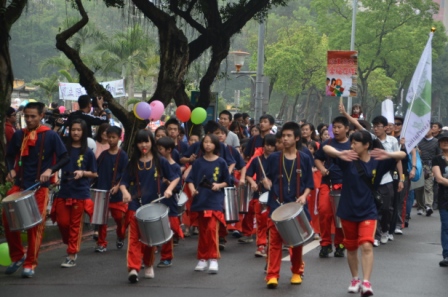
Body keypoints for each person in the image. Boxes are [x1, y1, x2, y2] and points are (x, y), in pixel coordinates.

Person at [323, 130, 406, 296]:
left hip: (368, 210)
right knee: (351, 247)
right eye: (351, 143)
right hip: (348, 210)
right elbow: (325, 148)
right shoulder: (348, 159)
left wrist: (387, 153)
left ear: (367, 145)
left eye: (356, 143)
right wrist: (341, 153)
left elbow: (402, 154)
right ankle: (355, 279)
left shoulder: (378, 161)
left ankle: (366, 282)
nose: (352, 146)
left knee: (367, 244)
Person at [4, 102, 69, 277]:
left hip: (40, 187)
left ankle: (30, 263)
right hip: (21, 184)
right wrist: (10, 169)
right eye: (27, 116)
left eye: (33, 116)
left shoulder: (50, 136)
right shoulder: (19, 135)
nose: (29, 119)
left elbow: (64, 157)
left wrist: (50, 170)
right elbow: (10, 154)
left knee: (35, 225)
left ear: (42, 116)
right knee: (7, 217)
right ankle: (17, 256)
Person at [120, 130, 179, 283]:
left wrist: (169, 189)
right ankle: (133, 268)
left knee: (149, 239)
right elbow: (123, 182)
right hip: (136, 205)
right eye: (140, 142)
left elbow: (175, 177)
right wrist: (125, 192)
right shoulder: (132, 162)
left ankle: (148, 264)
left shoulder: (160, 161)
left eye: (146, 141)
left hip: (154, 206)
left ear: (152, 142)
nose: (143, 145)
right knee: (134, 238)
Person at [262, 122, 314, 289]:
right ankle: (272, 275)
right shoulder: (274, 158)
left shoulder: (304, 158)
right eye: (283, 136)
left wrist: (304, 196)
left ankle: (297, 272)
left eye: (288, 136)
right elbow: (267, 178)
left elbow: (309, 184)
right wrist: (265, 181)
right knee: (274, 242)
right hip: (276, 204)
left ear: (297, 138)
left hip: (296, 207)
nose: (284, 139)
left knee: (296, 242)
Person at [53, 119, 98, 267]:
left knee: (75, 225)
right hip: (64, 191)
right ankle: (70, 243)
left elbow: (94, 174)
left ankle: (71, 255)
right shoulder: (64, 149)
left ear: (84, 132)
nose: (76, 132)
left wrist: (83, 173)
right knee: (62, 222)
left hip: (80, 192)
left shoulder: (88, 152)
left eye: (79, 130)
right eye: (73, 129)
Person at [186, 134, 231, 274]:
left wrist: (219, 185)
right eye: (205, 142)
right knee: (203, 231)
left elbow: (227, 181)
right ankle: (202, 258)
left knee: (212, 229)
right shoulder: (198, 162)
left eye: (211, 143)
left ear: (216, 145)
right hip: (201, 200)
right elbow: (190, 179)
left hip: (214, 200)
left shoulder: (221, 162)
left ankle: (213, 259)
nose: (207, 145)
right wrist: (193, 190)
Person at [314, 116, 350, 258]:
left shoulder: (352, 145)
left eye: (339, 127)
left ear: (347, 129)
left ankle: (340, 244)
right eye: (334, 127)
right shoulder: (327, 143)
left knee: (341, 216)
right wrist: (322, 168)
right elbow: (317, 158)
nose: (335, 130)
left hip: (346, 185)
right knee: (324, 212)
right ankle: (326, 244)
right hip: (327, 183)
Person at [94, 126, 129, 252]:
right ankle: (102, 243)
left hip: (117, 193)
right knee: (101, 220)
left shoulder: (123, 156)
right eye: (109, 137)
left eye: (113, 137)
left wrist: (118, 186)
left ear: (119, 138)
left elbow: (126, 175)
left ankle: (121, 235)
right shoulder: (103, 155)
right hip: (102, 190)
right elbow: (95, 171)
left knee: (119, 218)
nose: (111, 140)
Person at [245, 134, 276, 257]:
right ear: (263, 146)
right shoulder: (257, 160)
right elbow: (248, 174)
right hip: (260, 194)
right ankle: (261, 245)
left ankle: (272, 244)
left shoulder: (278, 160)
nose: (269, 148)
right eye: (267, 145)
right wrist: (253, 182)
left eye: (272, 145)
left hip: (274, 195)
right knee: (261, 220)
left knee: (272, 222)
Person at [156, 137, 184, 267]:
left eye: (160, 149)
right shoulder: (154, 163)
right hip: (155, 199)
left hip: (169, 201)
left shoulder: (175, 167)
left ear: (169, 150)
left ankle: (167, 257)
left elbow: (178, 187)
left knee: (168, 228)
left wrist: (168, 184)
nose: (158, 151)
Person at [431, 132, 448, 267]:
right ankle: (446, 255)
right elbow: (439, 179)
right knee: (446, 227)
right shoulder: (437, 159)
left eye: (447, 140)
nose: (445, 142)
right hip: (444, 198)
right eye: (442, 140)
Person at [416, 129, 440, 216]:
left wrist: (436, 169)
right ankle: (420, 207)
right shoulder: (419, 141)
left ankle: (428, 206)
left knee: (428, 187)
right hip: (419, 166)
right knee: (418, 188)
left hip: (430, 166)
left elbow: (438, 155)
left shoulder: (436, 142)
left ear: (432, 130)